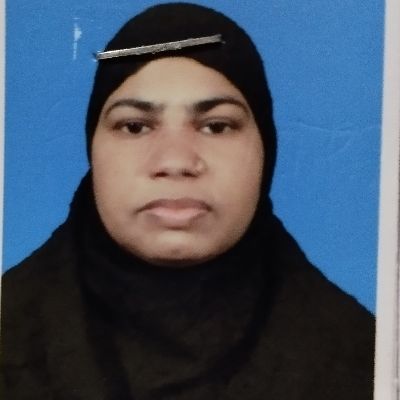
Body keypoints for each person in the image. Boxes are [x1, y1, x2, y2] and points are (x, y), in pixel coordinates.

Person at [1, 3, 374, 399]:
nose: (175, 161)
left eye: (217, 126)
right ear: (92, 149)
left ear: (267, 150)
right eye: (134, 126)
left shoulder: (368, 360)